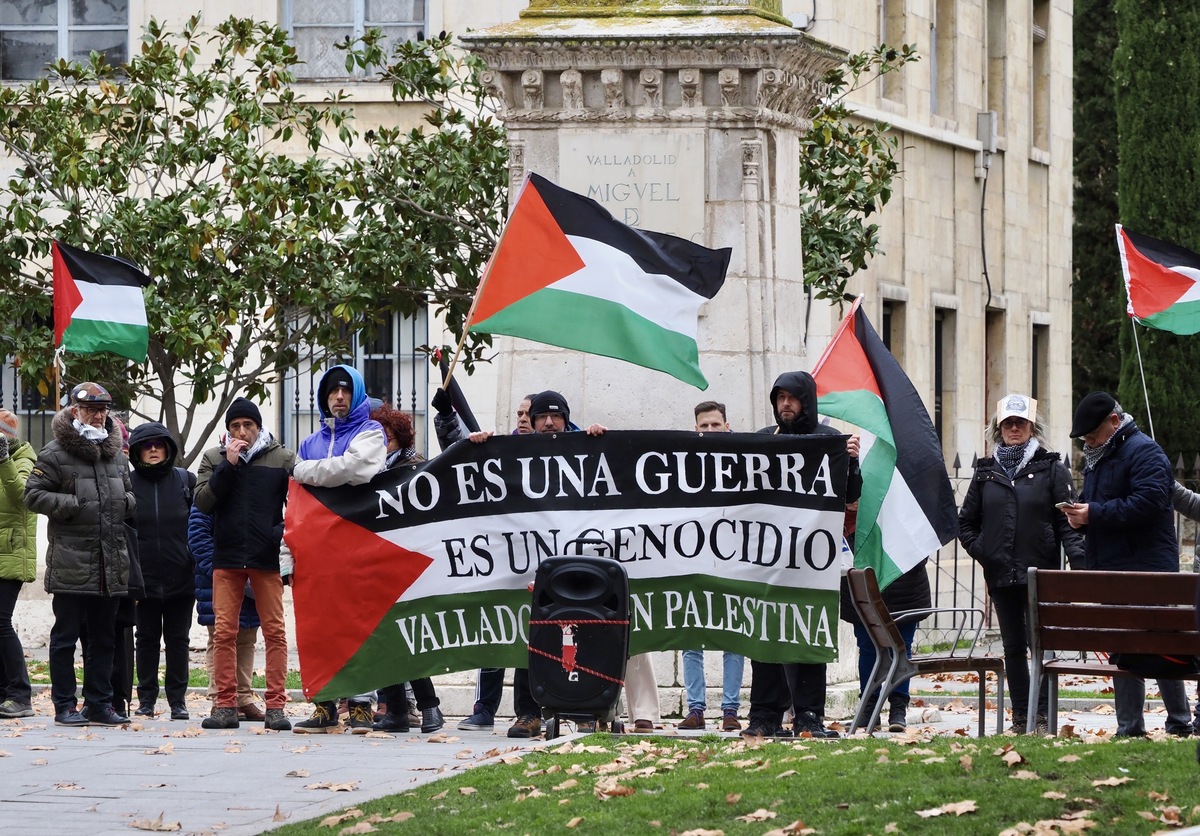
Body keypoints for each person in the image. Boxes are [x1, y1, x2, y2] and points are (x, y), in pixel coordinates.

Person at [465, 390, 608, 738]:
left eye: (555, 416)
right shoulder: (513, 452)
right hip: (527, 564)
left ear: (566, 418)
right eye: (541, 416)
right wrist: (478, 447)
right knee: (527, 636)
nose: (547, 422)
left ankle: (585, 710)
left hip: (575, 564)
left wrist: (604, 442)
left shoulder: (585, 445)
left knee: (582, 633)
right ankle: (527, 714)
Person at [1061, 392, 1191, 737]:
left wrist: (1095, 514)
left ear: (1115, 422)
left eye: (1092, 435)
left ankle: (1179, 721)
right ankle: (1130, 727)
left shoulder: (1145, 451)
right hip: (1112, 566)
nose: (1088, 443)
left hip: (1147, 566)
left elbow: (1147, 503)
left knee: (1160, 643)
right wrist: (1081, 515)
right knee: (1124, 643)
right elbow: (1101, 503)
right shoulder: (1100, 455)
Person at [742, 372, 861, 740]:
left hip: (812, 561)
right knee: (764, 636)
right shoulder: (764, 440)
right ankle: (764, 716)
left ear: (807, 400)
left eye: (792, 398)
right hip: (767, 560)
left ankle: (809, 716)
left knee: (806, 637)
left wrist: (851, 461)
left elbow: (852, 494)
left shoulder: (829, 441)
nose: (785, 405)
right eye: (779, 398)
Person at [957, 394, 1083, 733]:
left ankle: (1040, 719)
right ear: (998, 429)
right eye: (1008, 423)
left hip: (1039, 576)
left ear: (1031, 427)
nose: (1014, 428)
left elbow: (1067, 523)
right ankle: (1020, 718)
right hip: (1001, 576)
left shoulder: (1052, 468)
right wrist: (984, 550)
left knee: (1040, 648)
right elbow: (966, 523)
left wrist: (1080, 565)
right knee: (1013, 648)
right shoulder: (985, 472)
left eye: (1020, 422)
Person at [283, 365, 386, 734]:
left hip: (357, 546)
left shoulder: (371, 431)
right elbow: (294, 504)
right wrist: (286, 555)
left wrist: (305, 470)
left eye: (345, 390)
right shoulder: (309, 442)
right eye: (331, 392)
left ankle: (360, 706)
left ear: (356, 394)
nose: (338, 397)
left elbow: (356, 469)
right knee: (318, 629)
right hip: (315, 552)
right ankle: (324, 706)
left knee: (358, 626)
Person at [24, 382, 134, 726]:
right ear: (75, 411)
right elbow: (33, 495)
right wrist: (73, 504)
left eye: (103, 410)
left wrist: (124, 504)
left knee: (104, 638)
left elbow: (129, 495)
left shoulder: (116, 453)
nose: (98, 416)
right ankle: (64, 706)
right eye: (91, 410)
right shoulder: (55, 452)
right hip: (72, 562)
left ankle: (99, 704)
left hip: (110, 562)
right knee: (65, 638)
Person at [195, 396, 296, 732]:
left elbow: (297, 505)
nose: (241, 431)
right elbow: (203, 502)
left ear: (258, 427)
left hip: (266, 559)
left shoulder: (281, 458)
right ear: (228, 430)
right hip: (227, 558)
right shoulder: (214, 458)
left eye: (247, 425)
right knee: (224, 633)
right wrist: (229, 465)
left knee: (275, 633)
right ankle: (225, 705)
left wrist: (277, 532)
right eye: (235, 426)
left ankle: (276, 707)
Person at [459, 394, 538, 731]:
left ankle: (527, 712)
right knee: (495, 636)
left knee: (529, 642)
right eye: (519, 412)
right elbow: (458, 466)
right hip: (502, 562)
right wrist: (473, 445)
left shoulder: (565, 447)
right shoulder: (498, 449)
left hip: (537, 564)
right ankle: (484, 710)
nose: (522, 418)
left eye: (528, 413)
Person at [368, 401, 445, 734]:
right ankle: (396, 710)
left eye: (384, 432)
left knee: (407, 636)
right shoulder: (365, 469)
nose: (379, 438)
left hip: (409, 561)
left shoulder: (416, 466)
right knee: (383, 638)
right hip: (375, 561)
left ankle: (430, 707)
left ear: (399, 434)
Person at [677, 401, 745, 732]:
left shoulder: (742, 464)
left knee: (733, 637)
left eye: (715, 425)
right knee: (691, 638)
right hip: (693, 560)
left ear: (727, 427)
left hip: (732, 562)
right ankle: (696, 709)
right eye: (703, 426)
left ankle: (730, 710)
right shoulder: (683, 467)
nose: (709, 431)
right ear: (695, 430)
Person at [128, 422, 196, 721]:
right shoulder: (127, 484)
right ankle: (145, 699)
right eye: (146, 445)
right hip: (142, 579)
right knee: (145, 639)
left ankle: (178, 701)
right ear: (137, 452)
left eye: (159, 444)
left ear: (168, 448)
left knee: (178, 640)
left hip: (181, 577)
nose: (153, 449)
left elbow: (201, 525)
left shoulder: (185, 481)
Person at [189, 504, 264, 721]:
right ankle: (220, 699)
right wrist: (221, 572)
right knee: (221, 637)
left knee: (247, 638)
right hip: (218, 578)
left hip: (251, 575)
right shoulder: (211, 489)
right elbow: (198, 535)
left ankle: (243, 697)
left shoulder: (255, 486)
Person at [0, 410, 36, 718]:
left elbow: (22, 496)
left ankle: (21, 695)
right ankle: (4, 694)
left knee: (0, 623)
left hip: (11, 554)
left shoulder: (24, 459)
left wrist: (3, 460)